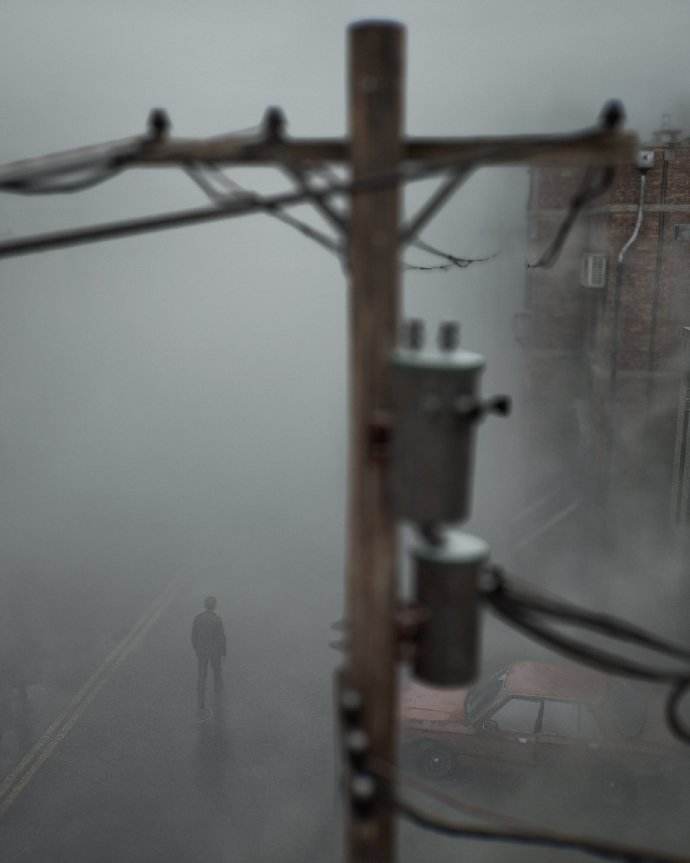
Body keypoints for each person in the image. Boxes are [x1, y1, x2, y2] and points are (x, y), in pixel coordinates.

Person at [191, 596, 226, 710]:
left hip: (202, 650)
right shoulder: (217, 619)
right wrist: (223, 650)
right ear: (214, 606)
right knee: (216, 671)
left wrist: (196, 647)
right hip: (214, 651)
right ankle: (218, 693)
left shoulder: (198, 618)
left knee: (202, 672)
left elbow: (193, 635)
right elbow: (221, 637)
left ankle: (200, 695)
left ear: (205, 605)